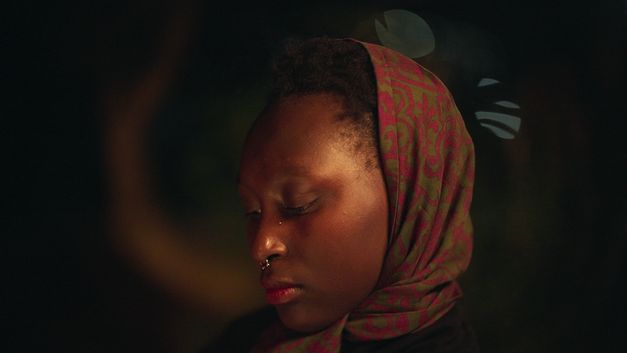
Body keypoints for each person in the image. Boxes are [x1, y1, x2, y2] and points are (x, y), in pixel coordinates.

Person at [206, 37, 479, 353]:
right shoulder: (245, 340)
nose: (260, 247)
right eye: (252, 210)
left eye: (298, 204)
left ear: (409, 199)